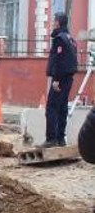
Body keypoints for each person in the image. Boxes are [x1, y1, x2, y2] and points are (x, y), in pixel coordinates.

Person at [44, 12, 79, 147]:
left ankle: (51, 139)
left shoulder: (59, 38)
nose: (53, 22)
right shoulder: (70, 38)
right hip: (68, 78)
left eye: (54, 20)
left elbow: (58, 60)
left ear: (58, 22)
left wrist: (56, 79)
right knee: (62, 107)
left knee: (52, 107)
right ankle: (60, 139)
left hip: (60, 78)